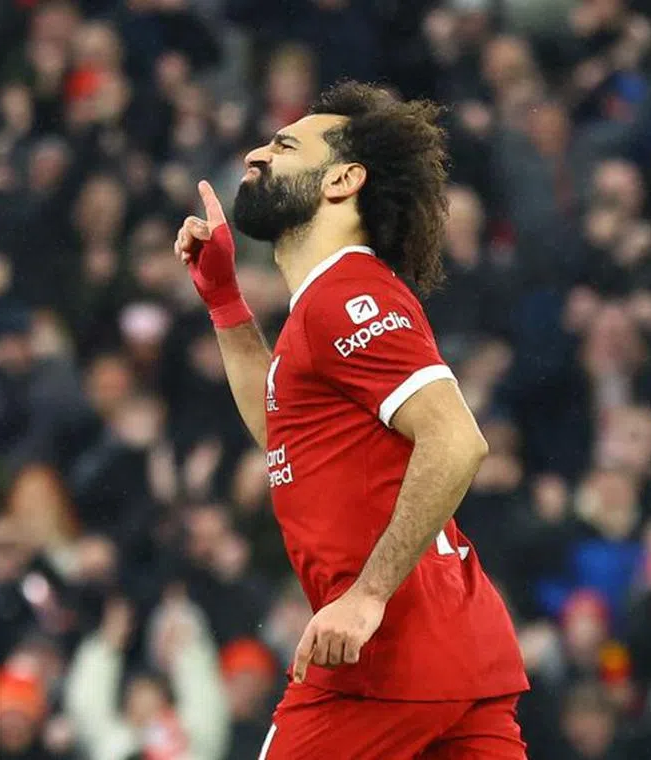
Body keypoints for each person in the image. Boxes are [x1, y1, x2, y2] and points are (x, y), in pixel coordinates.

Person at [172, 81, 528, 759]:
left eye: (283, 145)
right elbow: (284, 435)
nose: (255, 154)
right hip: (457, 654)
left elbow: (456, 440)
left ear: (343, 179)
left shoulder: (348, 294)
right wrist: (223, 298)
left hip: (386, 661)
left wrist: (367, 596)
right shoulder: (323, 308)